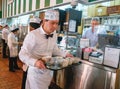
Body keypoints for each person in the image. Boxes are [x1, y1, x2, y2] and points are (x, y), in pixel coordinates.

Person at [19, 9, 73, 89]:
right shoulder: (33, 35)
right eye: (52, 23)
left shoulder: (54, 34)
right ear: (44, 21)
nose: (55, 26)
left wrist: (65, 53)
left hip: (48, 73)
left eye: (57, 23)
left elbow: (54, 49)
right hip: (35, 73)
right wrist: (35, 62)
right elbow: (22, 54)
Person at [21, 16, 42, 89]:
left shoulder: (31, 35)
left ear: (31, 27)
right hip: (37, 65)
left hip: (31, 64)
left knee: (26, 82)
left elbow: (24, 53)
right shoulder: (40, 35)